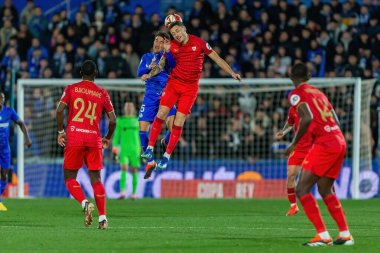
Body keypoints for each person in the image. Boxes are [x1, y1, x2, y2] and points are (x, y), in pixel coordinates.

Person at [141, 21, 241, 173]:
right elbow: (161, 65)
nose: (177, 35)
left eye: (178, 31)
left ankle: (167, 155)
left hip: (190, 88)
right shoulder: (172, 45)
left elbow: (218, 59)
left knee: (179, 122)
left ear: (184, 29)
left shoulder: (199, 43)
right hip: (174, 83)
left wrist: (232, 73)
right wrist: (150, 73)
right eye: (173, 34)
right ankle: (149, 148)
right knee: (161, 112)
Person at [285, 62, 353, 246]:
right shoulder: (319, 93)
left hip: (325, 144)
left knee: (301, 189)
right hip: (338, 140)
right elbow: (335, 118)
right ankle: (345, 234)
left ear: (291, 76)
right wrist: (333, 134)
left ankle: (323, 236)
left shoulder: (296, 94)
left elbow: (307, 117)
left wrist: (294, 143)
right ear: (308, 76)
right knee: (324, 189)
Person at [56, 60, 116, 229]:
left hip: (74, 137)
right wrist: (108, 137)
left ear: (80, 72)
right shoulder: (102, 93)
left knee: (69, 178)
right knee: (96, 180)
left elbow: (59, 110)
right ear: (96, 73)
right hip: (94, 138)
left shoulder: (71, 88)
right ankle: (103, 218)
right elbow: (113, 120)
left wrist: (61, 132)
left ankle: (84, 203)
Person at [137, 31, 177, 179]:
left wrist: (168, 52)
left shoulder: (167, 57)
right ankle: (151, 162)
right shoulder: (146, 57)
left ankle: (165, 141)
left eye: (161, 41)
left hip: (166, 94)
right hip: (150, 97)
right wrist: (148, 69)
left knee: (173, 127)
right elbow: (140, 71)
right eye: (156, 40)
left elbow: (173, 64)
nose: (158, 43)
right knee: (142, 130)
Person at [276, 106, 313, 216]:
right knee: (291, 174)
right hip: (298, 148)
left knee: (321, 176)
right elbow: (290, 123)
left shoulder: (313, 107)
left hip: (313, 147)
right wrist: (283, 132)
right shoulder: (292, 109)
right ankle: (293, 206)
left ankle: (333, 199)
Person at [0, 91, 32, 211]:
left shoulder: (9, 111)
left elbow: (21, 123)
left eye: (2, 98)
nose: (0, 100)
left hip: (4, 149)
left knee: (4, 175)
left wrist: (27, 138)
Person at [112, 102, 141, 200]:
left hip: (135, 149)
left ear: (133, 108)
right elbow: (116, 135)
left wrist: (143, 148)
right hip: (124, 149)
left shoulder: (138, 120)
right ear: (124, 108)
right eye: (127, 106)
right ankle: (122, 192)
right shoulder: (120, 120)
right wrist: (115, 147)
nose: (128, 108)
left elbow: (141, 135)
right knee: (123, 168)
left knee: (134, 170)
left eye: (130, 106)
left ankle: (134, 193)